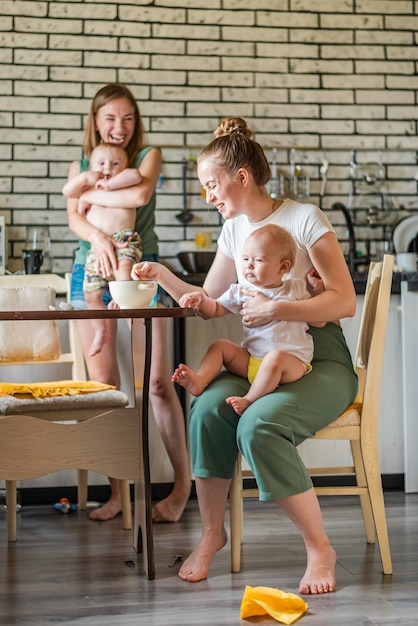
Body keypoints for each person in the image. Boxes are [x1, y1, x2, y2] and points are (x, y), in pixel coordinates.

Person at [131, 116, 358, 595]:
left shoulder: (303, 218)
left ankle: (320, 547)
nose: (207, 196)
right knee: (209, 407)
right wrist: (160, 280)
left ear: (242, 177)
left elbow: (344, 300)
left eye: (212, 185)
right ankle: (212, 534)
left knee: (259, 424)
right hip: (259, 357)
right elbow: (210, 301)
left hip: (318, 356)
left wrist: (280, 306)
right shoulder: (234, 230)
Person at [66, 83, 191, 523]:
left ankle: (180, 489)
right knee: (106, 389)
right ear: (95, 121)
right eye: (110, 118)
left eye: (128, 118)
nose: (120, 127)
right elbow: (73, 219)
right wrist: (97, 235)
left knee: (156, 384)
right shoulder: (81, 163)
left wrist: (88, 197)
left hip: (141, 270)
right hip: (89, 273)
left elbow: (138, 196)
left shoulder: (148, 156)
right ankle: (116, 494)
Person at [173, 224, 323, 416]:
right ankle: (199, 380)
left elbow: (318, 321)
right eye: (245, 259)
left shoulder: (295, 289)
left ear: (283, 267)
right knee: (220, 346)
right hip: (252, 361)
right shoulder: (241, 291)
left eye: (258, 260)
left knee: (275, 357)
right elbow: (216, 308)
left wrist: (318, 291)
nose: (249, 266)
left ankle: (250, 399)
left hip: (290, 365)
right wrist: (200, 300)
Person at [63, 142, 143, 356]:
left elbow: (135, 175)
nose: (108, 167)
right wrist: (86, 178)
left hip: (123, 238)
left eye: (115, 163)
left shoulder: (124, 183)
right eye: (101, 163)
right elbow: (67, 191)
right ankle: (101, 331)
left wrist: (109, 184)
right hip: (96, 248)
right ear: (91, 165)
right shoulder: (89, 186)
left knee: (124, 271)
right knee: (91, 295)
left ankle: (122, 301)